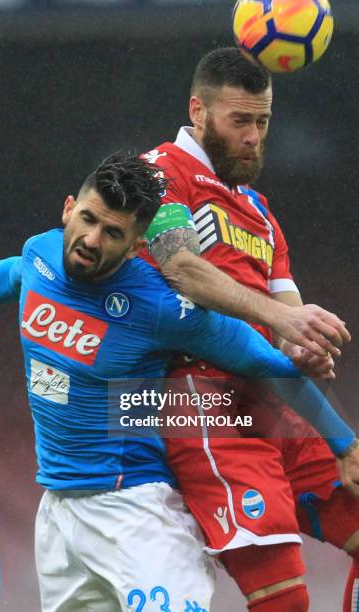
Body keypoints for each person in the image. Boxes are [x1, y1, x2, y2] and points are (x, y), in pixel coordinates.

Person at [0, 153, 359, 612]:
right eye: (86, 220)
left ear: (136, 243)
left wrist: (343, 442)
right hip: (59, 516)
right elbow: (9, 276)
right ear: (69, 208)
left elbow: (268, 364)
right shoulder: (40, 253)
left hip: (137, 514)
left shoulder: (161, 307)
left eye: (112, 233)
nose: (90, 240)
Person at [137, 47, 359, 611]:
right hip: (203, 399)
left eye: (262, 122)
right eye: (240, 121)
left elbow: (290, 323)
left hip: (271, 398)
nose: (254, 137)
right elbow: (181, 267)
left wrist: (304, 346)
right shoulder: (157, 173)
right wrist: (282, 318)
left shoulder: (260, 212)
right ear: (199, 111)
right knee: (285, 599)